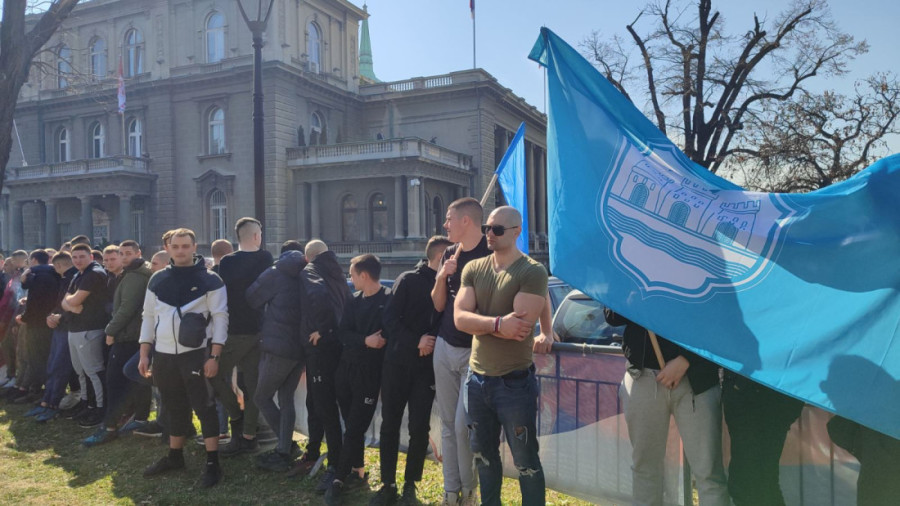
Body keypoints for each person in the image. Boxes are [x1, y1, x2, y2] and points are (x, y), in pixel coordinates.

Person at [454, 206, 550, 506]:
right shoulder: (473, 268)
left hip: (514, 383)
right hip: (477, 379)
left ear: (516, 231)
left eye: (497, 229)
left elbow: (519, 328)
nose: (489, 234)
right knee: (483, 456)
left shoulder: (532, 270)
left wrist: (479, 321)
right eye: (487, 228)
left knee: (525, 461)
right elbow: (459, 318)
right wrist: (497, 323)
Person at [604, 312, 729, 505]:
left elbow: (716, 317)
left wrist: (687, 359)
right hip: (643, 376)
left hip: (698, 381)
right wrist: (634, 296)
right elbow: (611, 316)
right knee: (645, 470)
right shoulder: (630, 280)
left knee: (708, 473)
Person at [138, 228, 227, 488]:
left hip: (196, 354)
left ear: (194, 246)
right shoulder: (156, 280)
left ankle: (213, 464)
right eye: (175, 246)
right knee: (172, 405)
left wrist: (214, 356)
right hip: (164, 355)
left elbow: (221, 319)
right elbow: (148, 317)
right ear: (168, 248)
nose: (180, 251)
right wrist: (145, 353)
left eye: (185, 246)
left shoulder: (211, 280)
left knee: (204, 407)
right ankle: (175, 456)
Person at [369, 236, 452, 506]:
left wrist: (433, 340)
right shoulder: (408, 279)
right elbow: (389, 320)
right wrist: (416, 341)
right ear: (441, 257)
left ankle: (410, 485)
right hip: (397, 364)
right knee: (390, 424)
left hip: (425, 369)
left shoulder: (451, 286)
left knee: (419, 427)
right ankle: (388, 484)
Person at [430, 197, 490, 506]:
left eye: (449, 219)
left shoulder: (490, 254)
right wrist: (442, 276)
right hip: (444, 345)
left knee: (461, 426)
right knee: (447, 427)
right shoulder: (450, 253)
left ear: (466, 221)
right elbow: (439, 304)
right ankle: (450, 492)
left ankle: (469, 492)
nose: (445, 225)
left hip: (475, 352)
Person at [325, 254, 391, 506]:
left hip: (369, 375)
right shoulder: (353, 301)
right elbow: (343, 333)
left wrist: (367, 342)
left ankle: (338, 480)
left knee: (354, 428)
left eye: (351, 274)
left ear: (363, 275)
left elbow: (386, 336)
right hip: (345, 371)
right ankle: (358, 470)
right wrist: (365, 341)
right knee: (349, 422)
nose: (349, 279)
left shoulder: (388, 299)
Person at [211, 217, 273, 456]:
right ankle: (247, 435)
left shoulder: (226, 262)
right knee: (254, 386)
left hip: (233, 330)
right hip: (258, 329)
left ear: (237, 237)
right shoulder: (265, 258)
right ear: (257, 236)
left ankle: (237, 421)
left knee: (214, 374)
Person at [83, 240, 153, 446]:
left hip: (127, 335)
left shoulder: (135, 276)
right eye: (121, 253)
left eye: (128, 253)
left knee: (114, 381)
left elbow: (126, 308)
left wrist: (110, 330)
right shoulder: (134, 274)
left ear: (138, 253)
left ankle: (110, 427)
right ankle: (137, 419)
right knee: (136, 381)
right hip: (134, 335)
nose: (124, 257)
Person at [246, 240, 307, 471]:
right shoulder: (307, 274)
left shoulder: (275, 273)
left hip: (277, 347)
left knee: (261, 397)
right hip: (299, 348)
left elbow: (251, 297)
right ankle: (285, 448)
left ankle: (285, 448)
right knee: (286, 397)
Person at [298, 239, 351, 485]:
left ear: (308, 257)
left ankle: (335, 465)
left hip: (320, 347)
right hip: (338, 346)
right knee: (318, 403)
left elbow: (318, 297)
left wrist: (324, 329)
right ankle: (315, 451)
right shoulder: (337, 272)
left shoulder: (310, 271)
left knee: (325, 406)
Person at [722, 372, 803, 506]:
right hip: (760, 390)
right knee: (761, 480)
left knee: (750, 482)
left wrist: (738, 386)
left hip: (763, 392)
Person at [62, 244, 110, 428]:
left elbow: (74, 300)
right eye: (74, 257)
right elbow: (66, 301)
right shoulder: (78, 274)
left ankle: (99, 408)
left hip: (90, 329)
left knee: (94, 371)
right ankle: (86, 403)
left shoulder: (94, 273)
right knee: (80, 371)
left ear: (91, 256)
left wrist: (71, 303)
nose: (77, 260)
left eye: (82, 256)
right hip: (75, 328)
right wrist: (71, 305)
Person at [30, 252, 79, 422]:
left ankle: (53, 403)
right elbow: (59, 303)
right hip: (59, 325)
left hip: (67, 326)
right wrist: (51, 315)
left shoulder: (73, 278)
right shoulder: (66, 278)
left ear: (58, 265)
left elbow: (72, 304)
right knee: (52, 363)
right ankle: (46, 400)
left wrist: (58, 316)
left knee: (60, 365)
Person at [17, 250, 61, 405]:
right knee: (46, 356)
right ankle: (42, 389)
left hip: (37, 323)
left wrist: (25, 317)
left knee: (36, 358)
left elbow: (35, 301)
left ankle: (36, 390)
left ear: (34, 260)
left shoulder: (36, 275)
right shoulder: (55, 273)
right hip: (51, 321)